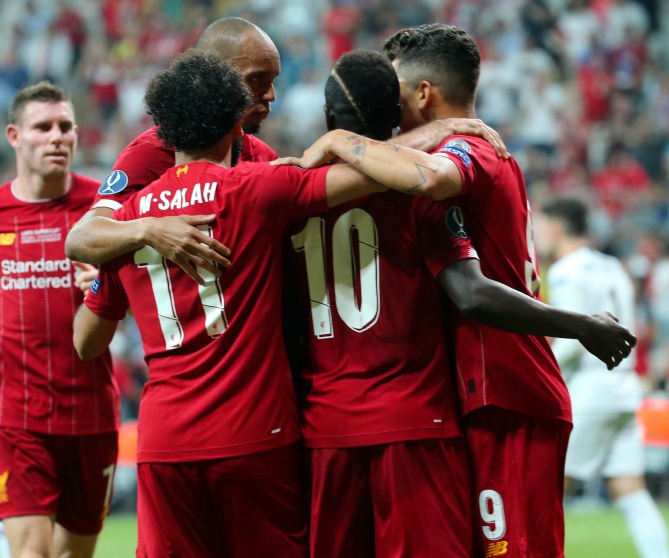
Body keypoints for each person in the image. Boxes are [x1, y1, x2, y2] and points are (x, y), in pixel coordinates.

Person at [71, 49, 464, 558]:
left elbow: (85, 334)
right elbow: (379, 174)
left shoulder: (124, 223)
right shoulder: (254, 189)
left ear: (163, 129)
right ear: (238, 121)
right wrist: (439, 134)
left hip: (164, 442)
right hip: (253, 433)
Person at [278, 24, 628, 558]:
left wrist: (335, 140)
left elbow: (434, 185)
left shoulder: (472, 149)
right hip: (472, 393)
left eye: (394, 95)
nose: (389, 112)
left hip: (505, 387)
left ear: (422, 94)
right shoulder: (429, 151)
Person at [64, 17, 509, 282]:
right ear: (218, 75)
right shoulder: (152, 151)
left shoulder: (257, 153)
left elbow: (349, 174)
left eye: (275, 80)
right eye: (259, 79)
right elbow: (81, 239)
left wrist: (440, 129)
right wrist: (150, 230)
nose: (272, 95)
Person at [0, 81, 119, 558]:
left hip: (90, 411)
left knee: (74, 553)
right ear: (14, 135)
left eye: (65, 127)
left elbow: (136, 297)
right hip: (13, 412)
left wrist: (104, 284)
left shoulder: (106, 212)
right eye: (43, 127)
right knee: (33, 553)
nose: (57, 137)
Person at [537, 197, 669, 558]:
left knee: (546, 489)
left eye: (539, 226)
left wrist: (536, 369)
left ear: (556, 227)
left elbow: (572, 343)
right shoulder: (614, 267)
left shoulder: (566, 270)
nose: (536, 236)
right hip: (625, 388)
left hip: (590, 391)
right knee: (630, 490)